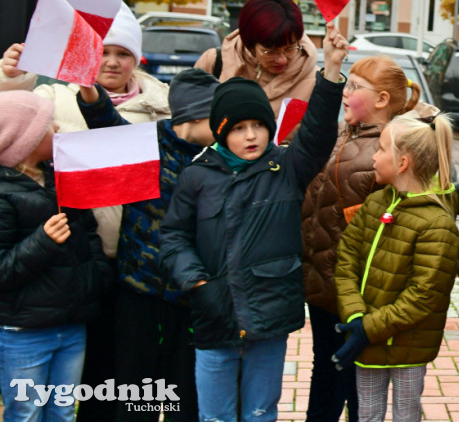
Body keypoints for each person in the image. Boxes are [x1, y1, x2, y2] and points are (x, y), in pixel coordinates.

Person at [162, 23, 348, 422]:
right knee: (215, 416)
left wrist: (331, 70)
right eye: (239, 128)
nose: (251, 136)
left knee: (261, 412)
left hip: (269, 317)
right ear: (220, 132)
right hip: (214, 317)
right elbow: (174, 236)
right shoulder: (197, 175)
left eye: (258, 126)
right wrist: (196, 282)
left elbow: (316, 132)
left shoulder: (285, 167)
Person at [1, 2, 170, 422]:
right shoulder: (51, 98)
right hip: (64, 269)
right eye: (103, 51)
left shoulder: (162, 102)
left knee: (124, 377)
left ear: (138, 58)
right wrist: (9, 78)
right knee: (74, 383)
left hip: (133, 264)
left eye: (123, 53)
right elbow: (10, 124)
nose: (112, 62)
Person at [76, 68, 221, 421]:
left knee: (184, 397)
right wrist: (90, 91)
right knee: (135, 394)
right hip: (138, 293)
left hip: (190, 298)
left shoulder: (219, 159)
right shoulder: (146, 144)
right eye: (220, 120)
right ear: (196, 116)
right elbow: (104, 121)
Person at [302, 55, 428, 422]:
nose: (345, 93)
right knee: (325, 368)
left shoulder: (393, 150)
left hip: (359, 291)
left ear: (382, 100)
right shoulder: (340, 132)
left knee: (359, 380)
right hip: (322, 280)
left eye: (355, 88)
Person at [332, 113, 459, 422]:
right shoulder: (375, 202)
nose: (373, 156)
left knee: (406, 414)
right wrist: (355, 316)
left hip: (408, 347)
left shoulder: (437, 224)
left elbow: (423, 295)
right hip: (366, 338)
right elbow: (346, 258)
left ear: (402, 162)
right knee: (367, 414)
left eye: (380, 149)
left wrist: (367, 330)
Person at [0, 91, 114, 420]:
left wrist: (97, 282)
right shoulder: (4, 197)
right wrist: (43, 242)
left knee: (63, 411)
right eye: (47, 125)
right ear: (25, 139)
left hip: (72, 324)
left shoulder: (62, 178)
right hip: (25, 332)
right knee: (26, 413)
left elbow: (88, 234)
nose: (58, 127)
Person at [195, 0, 318, 117]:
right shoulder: (214, 62)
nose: (282, 60)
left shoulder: (315, 80)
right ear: (250, 45)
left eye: (290, 49)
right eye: (270, 52)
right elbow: (187, 123)